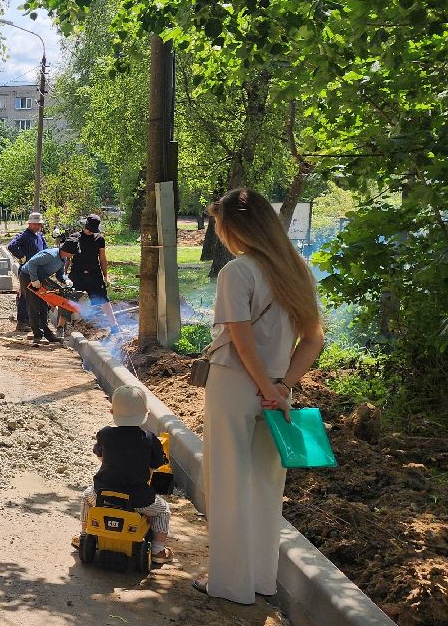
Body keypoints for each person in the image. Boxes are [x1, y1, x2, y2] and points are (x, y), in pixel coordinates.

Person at [195, 188, 325, 604]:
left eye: (219, 224)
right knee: (267, 486)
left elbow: (241, 340)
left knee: (228, 480)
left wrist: (266, 387)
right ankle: (259, 580)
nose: (218, 231)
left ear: (234, 226)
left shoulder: (238, 272)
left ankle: (229, 584)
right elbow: (313, 339)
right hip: (276, 391)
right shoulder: (297, 270)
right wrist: (282, 386)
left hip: (234, 383)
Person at [76, 385, 172, 562]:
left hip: (103, 495)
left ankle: (84, 533)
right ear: (146, 413)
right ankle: (158, 550)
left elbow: (99, 454)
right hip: (138, 499)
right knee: (163, 510)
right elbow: (157, 463)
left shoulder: (105, 434)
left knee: (85, 497)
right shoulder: (150, 439)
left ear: (112, 411)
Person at [69, 214, 121, 334]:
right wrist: (65, 275)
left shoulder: (99, 239)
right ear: (85, 225)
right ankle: (62, 327)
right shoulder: (75, 237)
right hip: (77, 274)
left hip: (94, 275)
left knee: (103, 299)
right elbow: (68, 257)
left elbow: (102, 258)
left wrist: (105, 275)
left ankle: (114, 326)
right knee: (71, 299)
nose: (91, 231)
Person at [19, 237, 77, 344]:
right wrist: (34, 279)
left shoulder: (62, 259)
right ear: (68, 251)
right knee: (34, 305)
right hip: (28, 276)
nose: (73, 256)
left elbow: (60, 275)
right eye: (73, 253)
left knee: (43, 305)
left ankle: (47, 334)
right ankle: (37, 334)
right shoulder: (50, 255)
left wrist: (66, 280)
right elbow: (32, 263)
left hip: (40, 279)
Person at [7, 212, 47, 332]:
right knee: (25, 296)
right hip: (26, 270)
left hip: (39, 271)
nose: (37, 227)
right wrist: (22, 256)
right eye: (34, 224)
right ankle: (22, 322)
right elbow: (11, 246)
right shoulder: (24, 235)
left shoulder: (39, 236)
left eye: (38, 224)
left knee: (38, 295)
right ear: (29, 224)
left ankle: (33, 320)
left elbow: (46, 250)